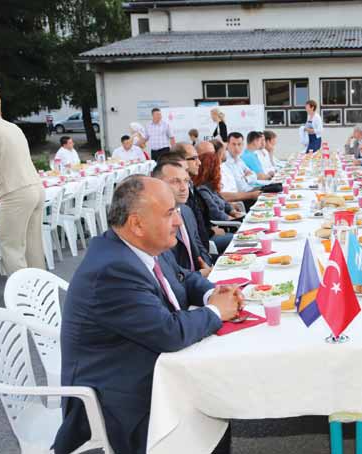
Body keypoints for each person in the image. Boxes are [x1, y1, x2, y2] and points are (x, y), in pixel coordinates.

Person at [53, 176, 241, 454]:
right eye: (169, 213)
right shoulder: (112, 271)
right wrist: (216, 311)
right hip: (115, 398)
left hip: (142, 368)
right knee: (210, 404)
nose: (178, 221)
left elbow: (185, 278)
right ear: (137, 224)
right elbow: (170, 333)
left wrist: (210, 294)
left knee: (216, 407)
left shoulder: (143, 247)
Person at [0, 89, 46, 273]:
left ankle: (21, 298)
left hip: (16, 193)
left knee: (11, 248)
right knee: (33, 248)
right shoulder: (12, 127)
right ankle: (39, 294)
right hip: (36, 188)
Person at [152, 161, 213, 274]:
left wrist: (208, 268)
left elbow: (200, 247)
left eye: (186, 181)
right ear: (158, 184)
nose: (184, 188)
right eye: (175, 182)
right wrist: (199, 275)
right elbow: (168, 272)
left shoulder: (186, 211)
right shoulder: (155, 221)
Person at [193, 152, 240, 254]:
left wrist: (233, 212)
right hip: (216, 230)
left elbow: (224, 202)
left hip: (225, 224)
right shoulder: (202, 190)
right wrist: (234, 219)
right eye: (218, 167)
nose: (220, 170)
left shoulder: (211, 187)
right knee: (240, 238)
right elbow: (215, 213)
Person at [221, 132, 261, 206]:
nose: (236, 148)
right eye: (233, 144)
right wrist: (247, 177)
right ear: (227, 145)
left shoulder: (239, 159)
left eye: (239, 144)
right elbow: (240, 187)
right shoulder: (225, 161)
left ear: (243, 145)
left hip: (250, 190)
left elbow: (254, 175)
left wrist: (246, 179)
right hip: (243, 197)